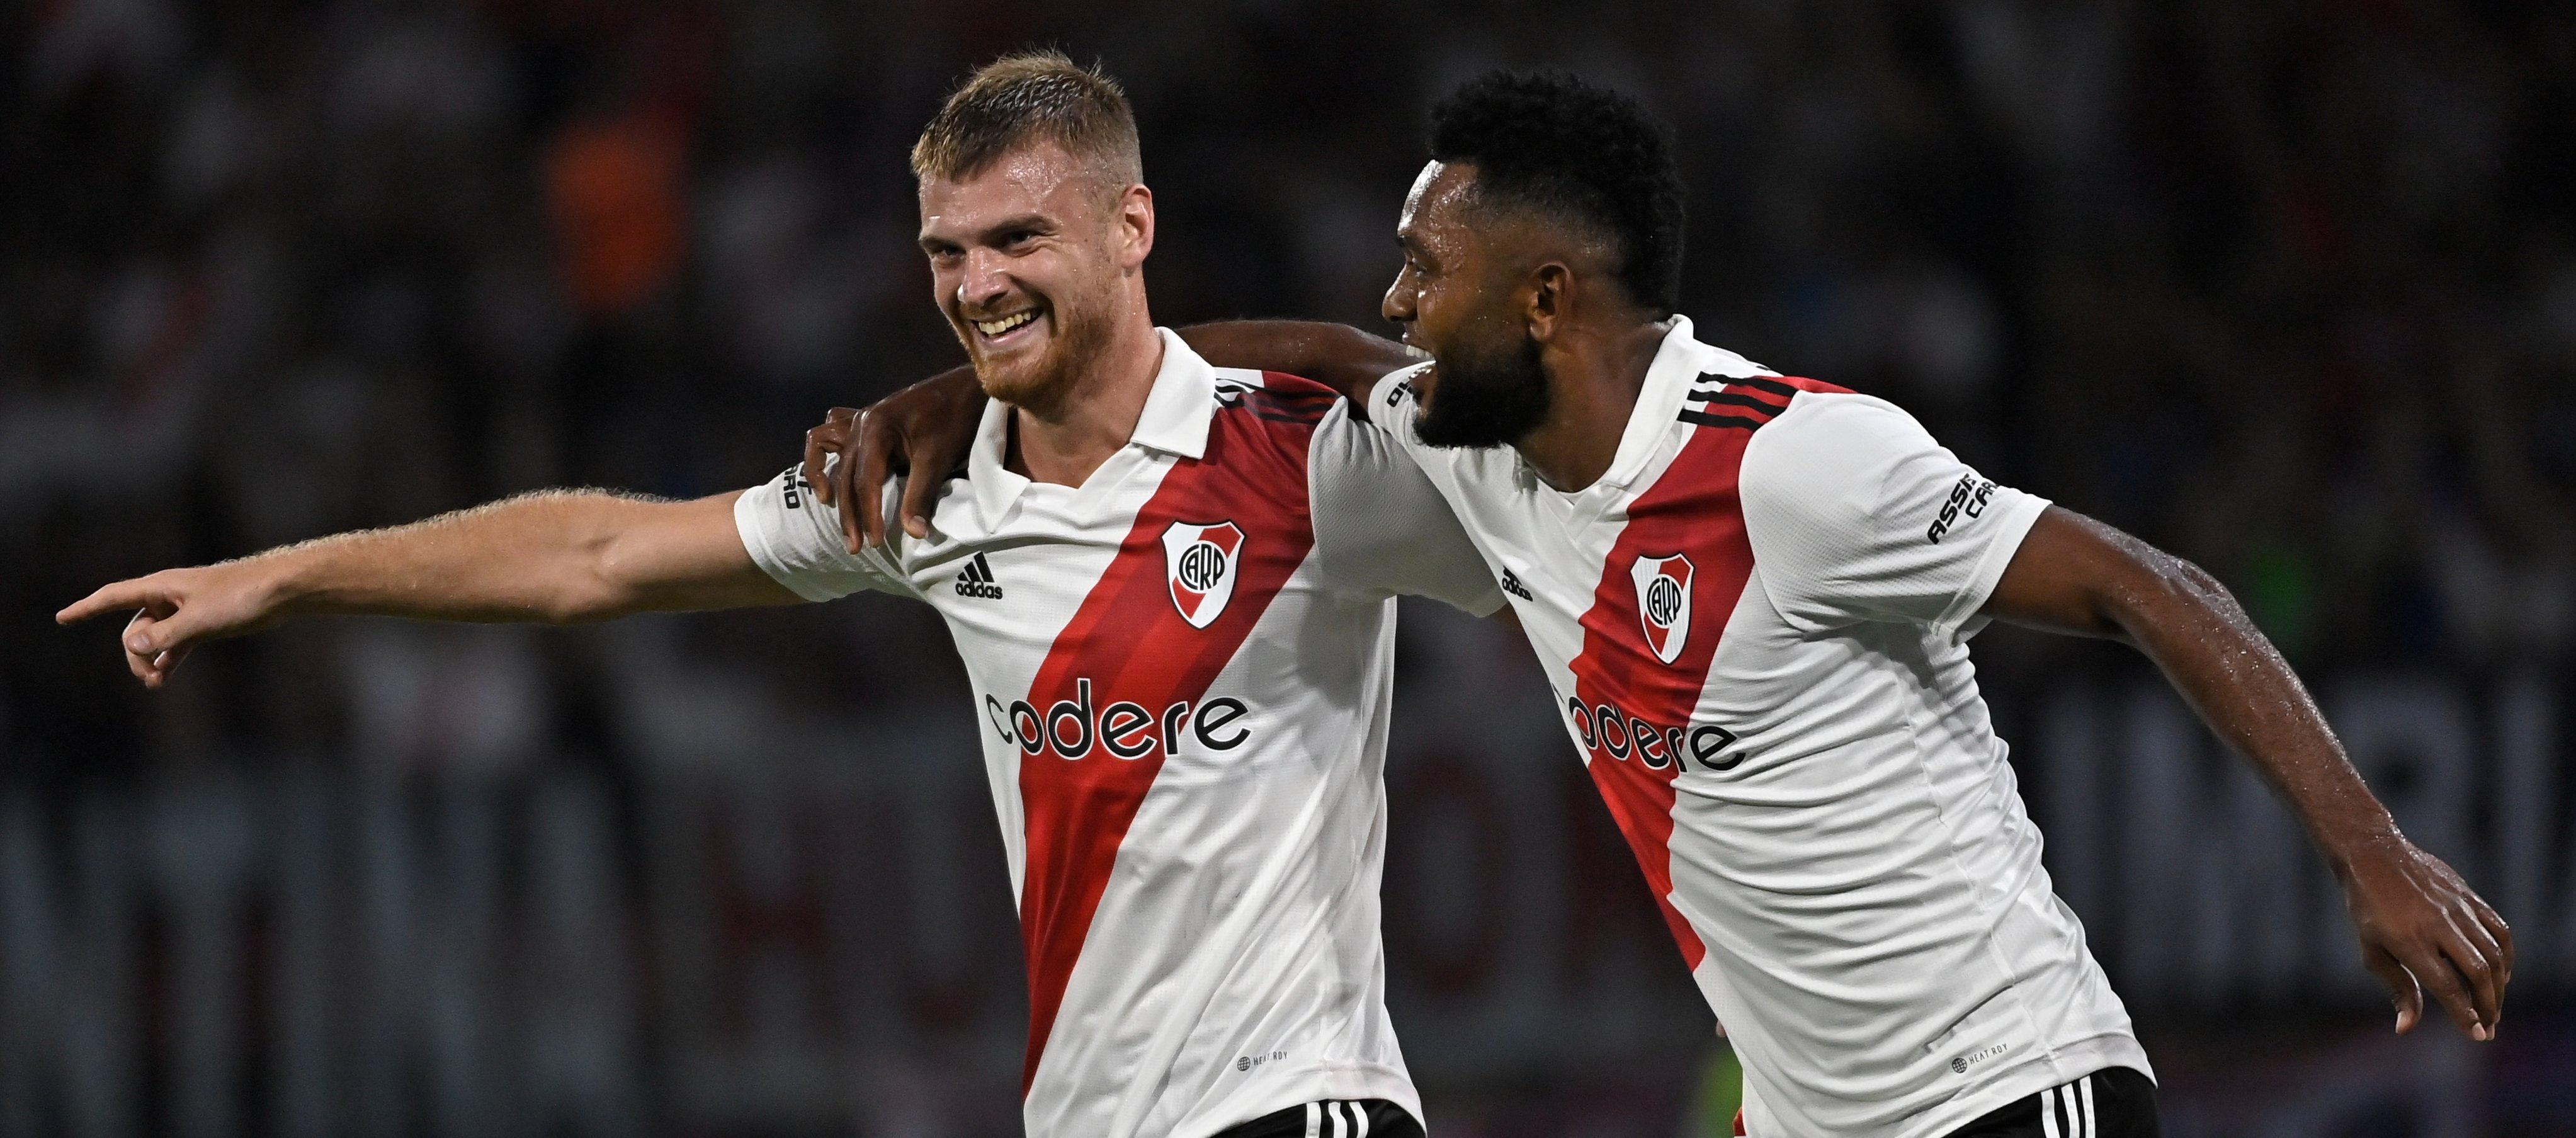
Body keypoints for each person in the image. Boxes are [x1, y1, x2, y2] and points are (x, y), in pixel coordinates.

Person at [817, 70, 2512, 1138]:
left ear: (1543, 297)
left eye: (1427, 270)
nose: (1394, 299)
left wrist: (2369, 854)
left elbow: (2154, 586)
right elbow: (1253, 366)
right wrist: (959, 388)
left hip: (2002, 1088)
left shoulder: (1802, 467)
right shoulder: (1481, 451)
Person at [58, 52, 1501, 1138]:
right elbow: (596, 557)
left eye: (1018, 242)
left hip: (1303, 1101)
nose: (978, 284)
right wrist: (286, 576)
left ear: (1133, 226)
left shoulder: (1302, 454)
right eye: (948, 251)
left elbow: (1537, 442)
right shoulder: (926, 485)